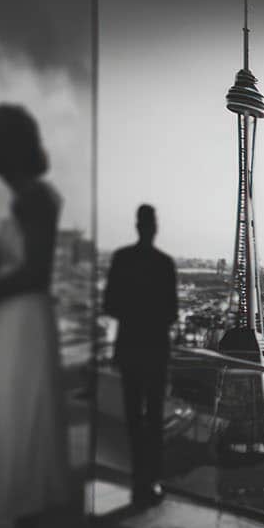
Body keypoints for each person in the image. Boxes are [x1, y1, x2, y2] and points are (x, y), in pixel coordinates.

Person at [0, 104, 73, 528]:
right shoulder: (30, 198)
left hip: (21, 318)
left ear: (7, 148)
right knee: (20, 409)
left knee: (20, 410)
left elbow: (35, 271)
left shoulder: (35, 199)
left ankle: (26, 514)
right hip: (17, 319)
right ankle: (26, 513)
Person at [103, 204, 177, 507]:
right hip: (155, 350)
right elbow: (171, 313)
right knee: (155, 419)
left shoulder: (122, 259)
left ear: (137, 226)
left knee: (133, 418)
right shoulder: (164, 264)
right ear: (154, 228)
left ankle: (138, 481)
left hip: (130, 349)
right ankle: (152, 480)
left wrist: (133, 314)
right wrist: (151, 317)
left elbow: (109, 305)